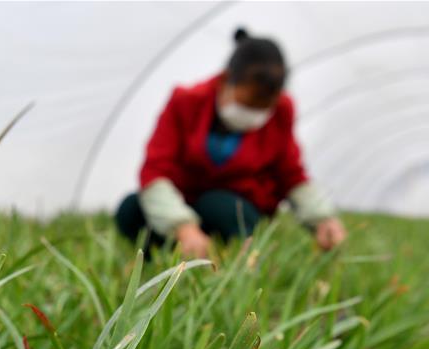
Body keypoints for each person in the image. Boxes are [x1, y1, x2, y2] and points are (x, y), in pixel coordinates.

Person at [115, 28, 347, 257]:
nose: (256, 113)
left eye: (264, 107)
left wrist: (322, 220)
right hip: (181, 204)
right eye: (249, 103)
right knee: (132, 208)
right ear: (226, 80)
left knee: (218, 204)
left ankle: (235, 257)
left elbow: (291, 174)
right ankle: (162, 258)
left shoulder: (281, 111)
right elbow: (156, 170)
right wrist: (182, 227)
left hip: (235, 212)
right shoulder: (185, 102)